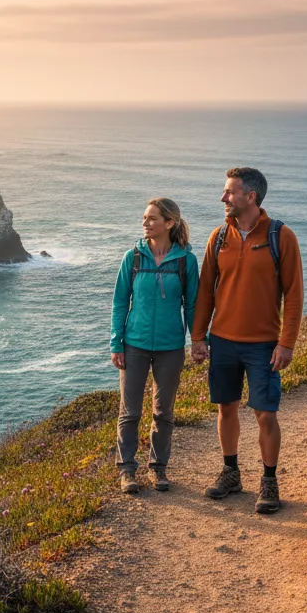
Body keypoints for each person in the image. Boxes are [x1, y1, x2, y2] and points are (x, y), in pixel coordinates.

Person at [191, 167, 303, 514]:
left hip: (263, 345)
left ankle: (269, 481)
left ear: (250, 197)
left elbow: (294, 294)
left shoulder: (280, 237)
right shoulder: (218, 237)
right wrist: (198, 337)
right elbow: (205, 292)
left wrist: (286, 344)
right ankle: (231, 472)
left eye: (230, 192)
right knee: (226, 408)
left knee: (265, 414)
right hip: (222, 341)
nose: (224, 198)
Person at [110, 198, 200, 494]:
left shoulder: (186, 261)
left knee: (163, 412)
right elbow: (120, 302)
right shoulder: (133, 257)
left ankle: (158, 469)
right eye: (144, 218)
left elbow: (193, 305)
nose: (145, 223)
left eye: (151, 219)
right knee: (130, 411)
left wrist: (198, 340)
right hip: (134, 344)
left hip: (170, 347)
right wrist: (116, 343)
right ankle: (127, 470)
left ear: (169, 223)